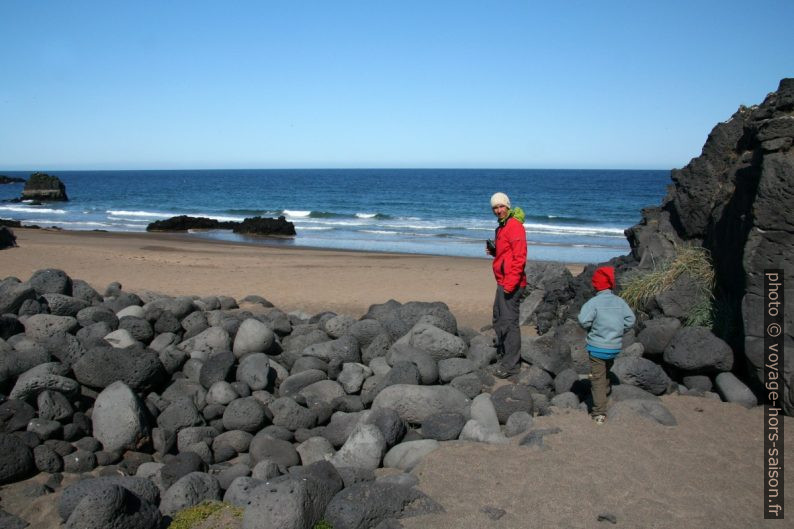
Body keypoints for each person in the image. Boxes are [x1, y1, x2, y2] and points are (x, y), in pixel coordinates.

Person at [577, 266, 636, 424]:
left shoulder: (594, 302)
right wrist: (619, 330)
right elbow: (630, 320)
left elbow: (583, 320)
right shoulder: (619, 302)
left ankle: (599, 413)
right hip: (614, 346)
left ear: (596, 285)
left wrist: (592, 327)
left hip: (597, 347)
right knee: (605, 371)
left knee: (597, 378)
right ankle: (605, 391)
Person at [486, 192, 527, 378]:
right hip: (503, 281)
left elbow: (520, 258)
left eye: (501, 206)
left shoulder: (514, 226)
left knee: (509, 323)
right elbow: (507, 255)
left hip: (512, 282)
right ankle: (505, 354)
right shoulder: (501, 228)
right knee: (498, 318)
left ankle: (511, 366)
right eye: (495, 207)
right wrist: (495, 251)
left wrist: (510, 284)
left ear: (508, 206)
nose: (498, 210)